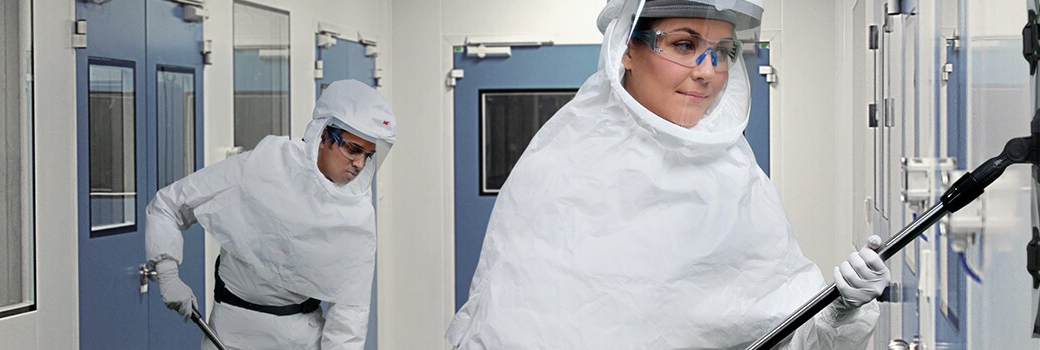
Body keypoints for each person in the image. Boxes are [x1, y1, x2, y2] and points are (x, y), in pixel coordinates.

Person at [444, 0, 888, 348]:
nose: (708, 71)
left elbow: (794, 335)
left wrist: (841, 312)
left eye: (723, 52)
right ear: (626, 51)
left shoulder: (735, 177)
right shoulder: (560, 165)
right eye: (683, 45)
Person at [146, 80, 395, 350]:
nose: (359, 164)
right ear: (323, 136)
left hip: (302, 340)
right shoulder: (262, 167)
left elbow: (350, 312)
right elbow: (169, 204)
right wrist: (168, 272)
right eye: (353, 149)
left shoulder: (356, 217)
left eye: (368, 155)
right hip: (230, 335)